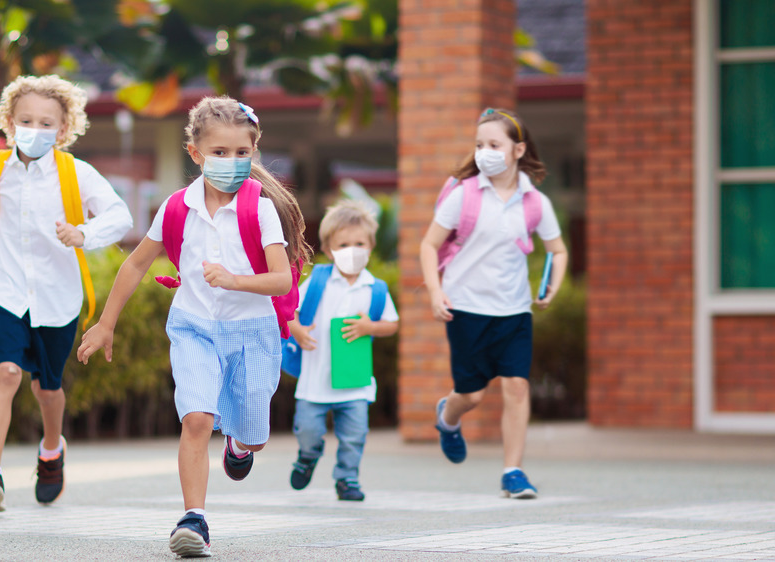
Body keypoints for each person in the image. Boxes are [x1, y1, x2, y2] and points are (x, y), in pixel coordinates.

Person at [77, 96, 310, 557]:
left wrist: (235, 280)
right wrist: (106, 323)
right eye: (220, 153)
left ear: (254, 152)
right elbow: (136, 264)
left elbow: (282, 277)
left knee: (254, 434)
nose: (231, 162)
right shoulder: (177, 207)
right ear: (195, 154)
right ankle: (193, 521)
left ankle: (240, 448)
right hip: (194, 327)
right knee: (198, 418)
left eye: (242, 153)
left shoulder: (259, 209)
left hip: (253, 333)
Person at [0, 75, 133, 513]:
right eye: (26, 120)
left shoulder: (75, 174)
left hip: (57, 298)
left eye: (46, 123)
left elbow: (119, 215)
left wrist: (84, 233)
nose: (35, 129)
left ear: (63, 130)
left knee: (47, 388)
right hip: (4, 289)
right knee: (5, 372)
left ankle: (51, 449)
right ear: (8, 121)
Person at [419, 107, 568, 499]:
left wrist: (552, 284)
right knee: (471, 395)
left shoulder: (535, 202)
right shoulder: (464, 195)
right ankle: (448, 418)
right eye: (480, 144)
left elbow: (558, 250)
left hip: (515, 310)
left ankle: (513, 471)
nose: (485, 151)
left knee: (517, 387)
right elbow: (429, 245)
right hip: (466, 307)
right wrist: (436, 292)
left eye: (494, 144)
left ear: (518, 150)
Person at [287, 200, 399, 501]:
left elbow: (391, 324)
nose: (353, 249)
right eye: (344, 244)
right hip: (315, 380)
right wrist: (296, 330)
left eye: (359, 243)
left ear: (371, 246)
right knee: (308, 430)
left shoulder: (375, 288)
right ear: (329, 248)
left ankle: (347, 479)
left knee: (354, 436)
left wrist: (371, 327)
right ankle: (308, 456)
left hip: (355, 381)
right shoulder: (318, 281)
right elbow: (289, 310)